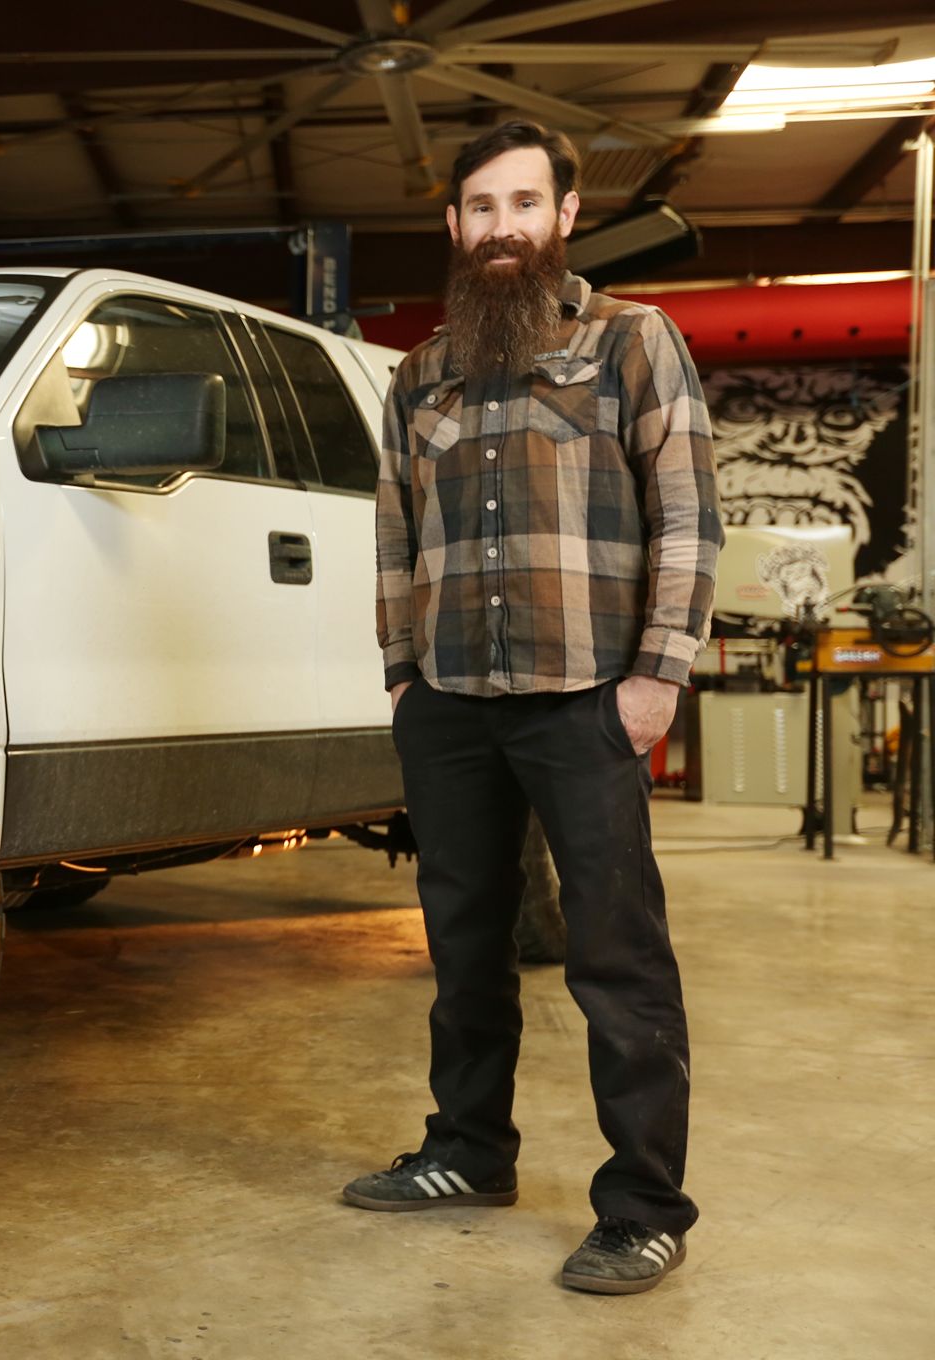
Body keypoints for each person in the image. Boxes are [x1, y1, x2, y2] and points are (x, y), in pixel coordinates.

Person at [349, 120, 723, 1296]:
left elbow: (686, 513)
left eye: (522, 203)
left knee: (614, 956)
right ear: (453, 225)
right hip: (449, 700)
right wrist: (401, 673)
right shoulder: (418, 372)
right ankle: (468, 1151)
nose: (499, 226)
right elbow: (392, 530)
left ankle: (643, 1207)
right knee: (462, 946)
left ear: (563, 215)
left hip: (583, 698)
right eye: (479, 206)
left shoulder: (629, 341)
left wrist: (656, 676)